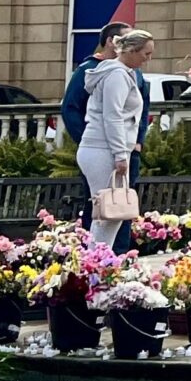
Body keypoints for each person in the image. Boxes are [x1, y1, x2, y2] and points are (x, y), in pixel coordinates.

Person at [79, 28, 154, 252]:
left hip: (102, 148)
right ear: (131, 50)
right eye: (145, 54)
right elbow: (113, 117)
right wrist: (121, 155)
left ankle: (98, 263)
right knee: (108, 212)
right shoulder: (117, 75)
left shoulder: (120, 73)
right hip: (103, 149)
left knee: (111, 212)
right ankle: (96, 265)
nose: (147, 59)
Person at [61, 20, 135, 225]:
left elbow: (140, 109)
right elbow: (71, 108)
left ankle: (118, 254)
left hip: (126, 146)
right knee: (102, 206)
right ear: (112, 42)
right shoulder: (90, 69)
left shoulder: (131, 71)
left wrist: (139, 140)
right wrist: (87, 138)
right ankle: (97, 254)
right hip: (101, 147)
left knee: (123, 207)